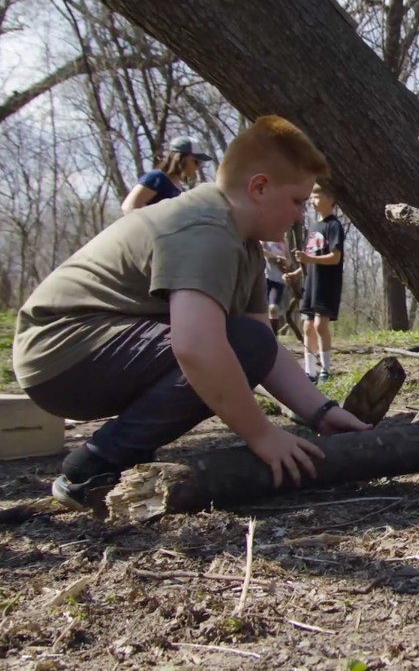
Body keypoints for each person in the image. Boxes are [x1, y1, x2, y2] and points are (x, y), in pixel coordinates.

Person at [11, 115, 372, 512]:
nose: (301, 215)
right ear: (260, 187)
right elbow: (197, 346)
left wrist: (320, 412)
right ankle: (94, 466)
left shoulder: (243, 241)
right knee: (232, 344)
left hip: (90, 352)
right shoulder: (204, 228)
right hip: (61, 351)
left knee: (247, 341)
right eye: (297, 201)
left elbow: (261, 348)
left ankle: (119, 454)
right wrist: (263, 435)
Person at [283, 184, 344, 383]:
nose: (312, 201)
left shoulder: (334, 225)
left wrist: (308, 259)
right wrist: (295, 273)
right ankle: (310, 372)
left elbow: (335, 257)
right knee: (307, 325)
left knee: (320, 325)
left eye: (317, 196)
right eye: (312, 197)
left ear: (330, 198)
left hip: (326, 284)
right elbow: (309, 259)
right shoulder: (313, 228)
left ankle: (326, 369)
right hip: (310, 284)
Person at [121, 136, 214, 215]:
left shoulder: (179, 187)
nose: (197, 167)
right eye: (196, 161)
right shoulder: (157, 178)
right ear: (180, 158)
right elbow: (129, 208)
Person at [262, 239, 291, 333]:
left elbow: (288, 259)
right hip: (265, 277)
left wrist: (285, 263)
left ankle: (273, 335)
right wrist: (275, 257)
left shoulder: (283, 241)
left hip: (278, 280)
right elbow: (262, 250)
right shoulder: (265, 238)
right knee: (262, 308)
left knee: (273, 308)